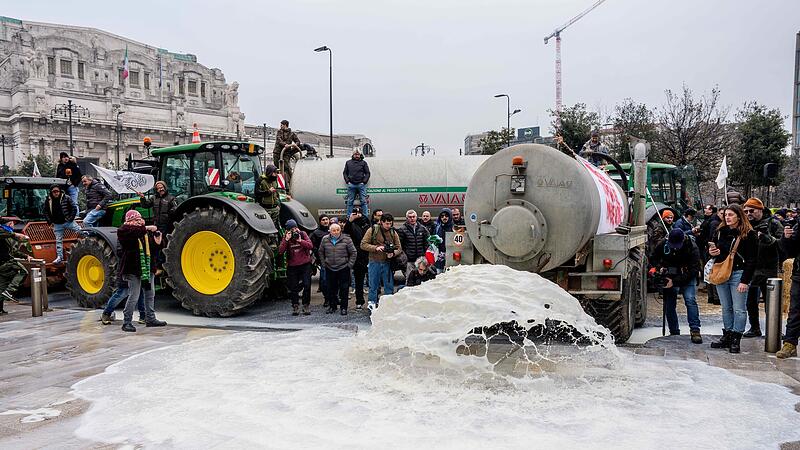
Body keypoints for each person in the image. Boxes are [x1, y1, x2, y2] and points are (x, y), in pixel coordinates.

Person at [708, 203, 758, 354]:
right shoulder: (720, 231)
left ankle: (736, 337)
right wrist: (712, 251)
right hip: (722, 271)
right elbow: (714, 251)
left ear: (739, 216)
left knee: (739, 308)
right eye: (726, 215)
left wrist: (745, 280)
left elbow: (752, 259)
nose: (727, 217)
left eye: (731, 215)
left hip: (738, 273)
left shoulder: (749, 234)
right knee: (726, 307)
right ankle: (728, 335)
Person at [117, 210, 166, 332]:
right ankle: (127, 322)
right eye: (135, 219)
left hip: (147, 268)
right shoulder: (124, 230)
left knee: (150, 294)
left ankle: (150, 319)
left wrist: (158, 241)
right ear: (129, 221)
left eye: (140, 218)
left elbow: (154, 248)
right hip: (132, 269)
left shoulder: (144, 231)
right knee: (134, 295)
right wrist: (148, 227)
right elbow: (135, 232)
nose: (139, 221)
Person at [650, 229, 703, 343]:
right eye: (672, 245)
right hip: (669, 274)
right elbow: (653, 258)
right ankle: (673, 331)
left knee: (690, 300)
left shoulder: (692, 248)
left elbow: (694, 270)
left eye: (677, 245)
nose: (675, 248)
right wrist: (659, 268)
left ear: (683, 240)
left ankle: (695, 330)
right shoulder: (663, 244)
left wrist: (674, 282)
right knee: (669, 303)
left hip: (687, 275)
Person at [742, 198, 784, 338]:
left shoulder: (774, 223)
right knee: (750, 302)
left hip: (769, 267)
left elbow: (782, 245)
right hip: (752, 267)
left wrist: (767, 238)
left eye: (751, 210)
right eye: (746, 211)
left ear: (760, 209)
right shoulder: (746, 224)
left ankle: (773, 330)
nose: (748, 213)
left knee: (770, 301)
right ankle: (754, 328)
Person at [361, 213, 402, 310]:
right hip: (374, 262)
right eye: (386, 223)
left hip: (387, 263)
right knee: (373, 285)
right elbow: (363, 244)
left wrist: (393, 253)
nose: (388, 226)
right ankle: (372, 305)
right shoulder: (372, 230)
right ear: (381, 222)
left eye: (390, 224)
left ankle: (388, 305)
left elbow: (399, 248)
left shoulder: (393, 232)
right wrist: (376, 248)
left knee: (389, 285)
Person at [319, 222, 357, 315]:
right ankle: (332, 306)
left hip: (343, 267)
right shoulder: (325, 239)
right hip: (330, 268)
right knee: (331, 288)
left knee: (344, 289)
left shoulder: (347, 239)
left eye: (337, 230)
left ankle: (344, 308)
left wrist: (349, 265)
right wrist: (324, 264)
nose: (335, 232)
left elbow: (353, 252)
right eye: (333, 230)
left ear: (340, 230)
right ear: (329, 231)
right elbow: (320, 252)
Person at [278, 219, 314, 316]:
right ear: (288, 230)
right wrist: (286, 240)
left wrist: (300, 240)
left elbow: (310, 246)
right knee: (293, 287)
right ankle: (295, 305)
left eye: (295, 228)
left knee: (307, 285)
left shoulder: (302, 234)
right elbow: (280, 251)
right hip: (292, 266)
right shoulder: (286, 237)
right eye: (292, 229)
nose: (294, 231)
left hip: (305, 264)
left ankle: (306, 305)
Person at [777, 219, 800, 359]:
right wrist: (786, 238)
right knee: (795, 310)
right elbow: (790, 252)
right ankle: (790, 343)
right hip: (799, 275)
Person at [44, 184, 80, 264]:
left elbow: (74, 207)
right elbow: (46, 211)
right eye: (54, 192)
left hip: (67, 222)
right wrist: (50, 222)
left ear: (60, 191)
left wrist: (70, 218)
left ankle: (89, 241)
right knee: (58, 241)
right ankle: (60, 257)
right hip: (57, 224)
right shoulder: (48, 199)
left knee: (80, 231)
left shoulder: (66, 197)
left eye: (57, 191)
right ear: (51, 192)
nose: (56, 193)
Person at [0, 217, 30, 313]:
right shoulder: (4, 233)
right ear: (9, 224)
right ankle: (10, 290)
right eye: (13, 223)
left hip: (3, 263)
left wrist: (25, 256)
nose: (14, 225)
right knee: (23, 271)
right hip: (5, 262)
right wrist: (16, 235)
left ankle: (0, 309)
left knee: (2, 287)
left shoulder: (6, 235)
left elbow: (13, 251)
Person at [343, 207, 370, 309]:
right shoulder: (351, 224)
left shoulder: (367, 222)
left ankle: (373, 300)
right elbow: (346, 230)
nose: (357, 214)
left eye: (359, 212)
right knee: (359, 281)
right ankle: (359, 301)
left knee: (372, 280)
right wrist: (350, 220)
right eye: (355, 212)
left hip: (369, 254)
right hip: (358, 256)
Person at [698, 205, 721, 305]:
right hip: (709, 249)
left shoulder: (712, 222)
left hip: (708, 248)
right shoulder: (713, 222)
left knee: (710, 272)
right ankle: (714, 297)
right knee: (711, 272)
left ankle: (712, 297)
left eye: (706, 208)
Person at [397, 209, 430, 280]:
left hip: (420, 260)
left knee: (422, 280)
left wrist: (425, 255)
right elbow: (399, 245)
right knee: (410, 280)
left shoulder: (422, 228)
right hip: (409, 261)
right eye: (410, 217)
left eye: (413, 217)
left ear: (416, 217)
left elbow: (427, 242)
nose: (412, 218)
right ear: (407, 218)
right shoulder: (402, 229)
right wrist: (404, 257)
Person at [343, 149, 370, 217]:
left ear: (360, 155)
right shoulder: (348, 163)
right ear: (353, 155)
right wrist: (347, 181)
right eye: (355, 154)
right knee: (350, 201)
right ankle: (349, 216)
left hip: (361, 184)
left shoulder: (363, 163)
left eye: (358, 154)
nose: (357, 156)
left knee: (363, 201)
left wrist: (364, 182)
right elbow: (345, 173)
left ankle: (365, 216)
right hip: (351, 184)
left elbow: (367, 173)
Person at [310, 214, 330, 296]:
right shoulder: (316, 232)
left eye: (326, 219)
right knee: (324, 280)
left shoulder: (333, 230)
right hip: (323, 259)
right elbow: (312, 245)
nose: (325, 221)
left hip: (334, 258)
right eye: (323, 220)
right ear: (320, 221)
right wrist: (318, 253)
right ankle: (326, 298)